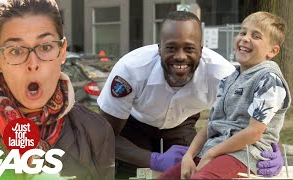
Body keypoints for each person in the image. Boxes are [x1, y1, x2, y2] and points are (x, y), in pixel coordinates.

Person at [97, 10, 284, 179]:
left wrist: (268, 152)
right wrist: (153, 159)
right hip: (133, 124)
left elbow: (257, 117)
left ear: (201, 50)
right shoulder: (130, 69)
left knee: (190, 172)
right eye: (171, 48)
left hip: (181, 124)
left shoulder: (223, 74)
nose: (180, 56)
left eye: (189, 48)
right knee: (132, 175)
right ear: (159, 48)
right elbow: (102, 136)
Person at [0, 0, 114, 179]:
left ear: (62, 51)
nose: (33, 64)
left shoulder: (95, 131)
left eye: (46, 47)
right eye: (16, 51)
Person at [159, 11, 291, 179]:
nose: (245, 38)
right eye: (243, 32)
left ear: (272, 51)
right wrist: (189, 156)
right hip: (216, 149)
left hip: (246, 154)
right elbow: (212, 125)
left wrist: (212, 154)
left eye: (256, 36)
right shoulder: (228, 80)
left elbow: (254, 132)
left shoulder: (269, 80)